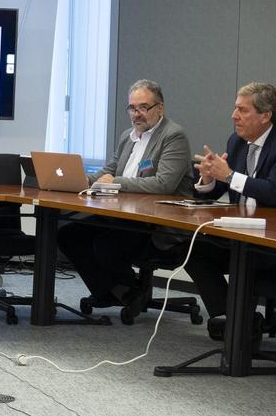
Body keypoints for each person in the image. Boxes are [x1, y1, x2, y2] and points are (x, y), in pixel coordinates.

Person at [189, 82, 276, 339]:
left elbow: (273, 191)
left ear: (265, 115)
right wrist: (209, 179)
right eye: (235, 108)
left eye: (242, 110)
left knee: (245, 261)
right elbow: (220, 189)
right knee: (196, 249)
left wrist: (229, 175)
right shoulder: (237, 142)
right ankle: (235, 318)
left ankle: (240, 326)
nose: (233, 115)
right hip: (244, 234)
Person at [56, 80, 193, 308]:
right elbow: (109, 170)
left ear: (160, 108)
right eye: (132, 108)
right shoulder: (128, 136)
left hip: (157, 223)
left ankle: (130, 292)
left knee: (105, 244)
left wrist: (115, 182)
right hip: (123, 215)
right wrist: (81, 179)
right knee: (69, 234)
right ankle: (113, 291)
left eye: (143, 107)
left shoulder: (173, 136)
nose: (136, 114)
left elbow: (163, 184)